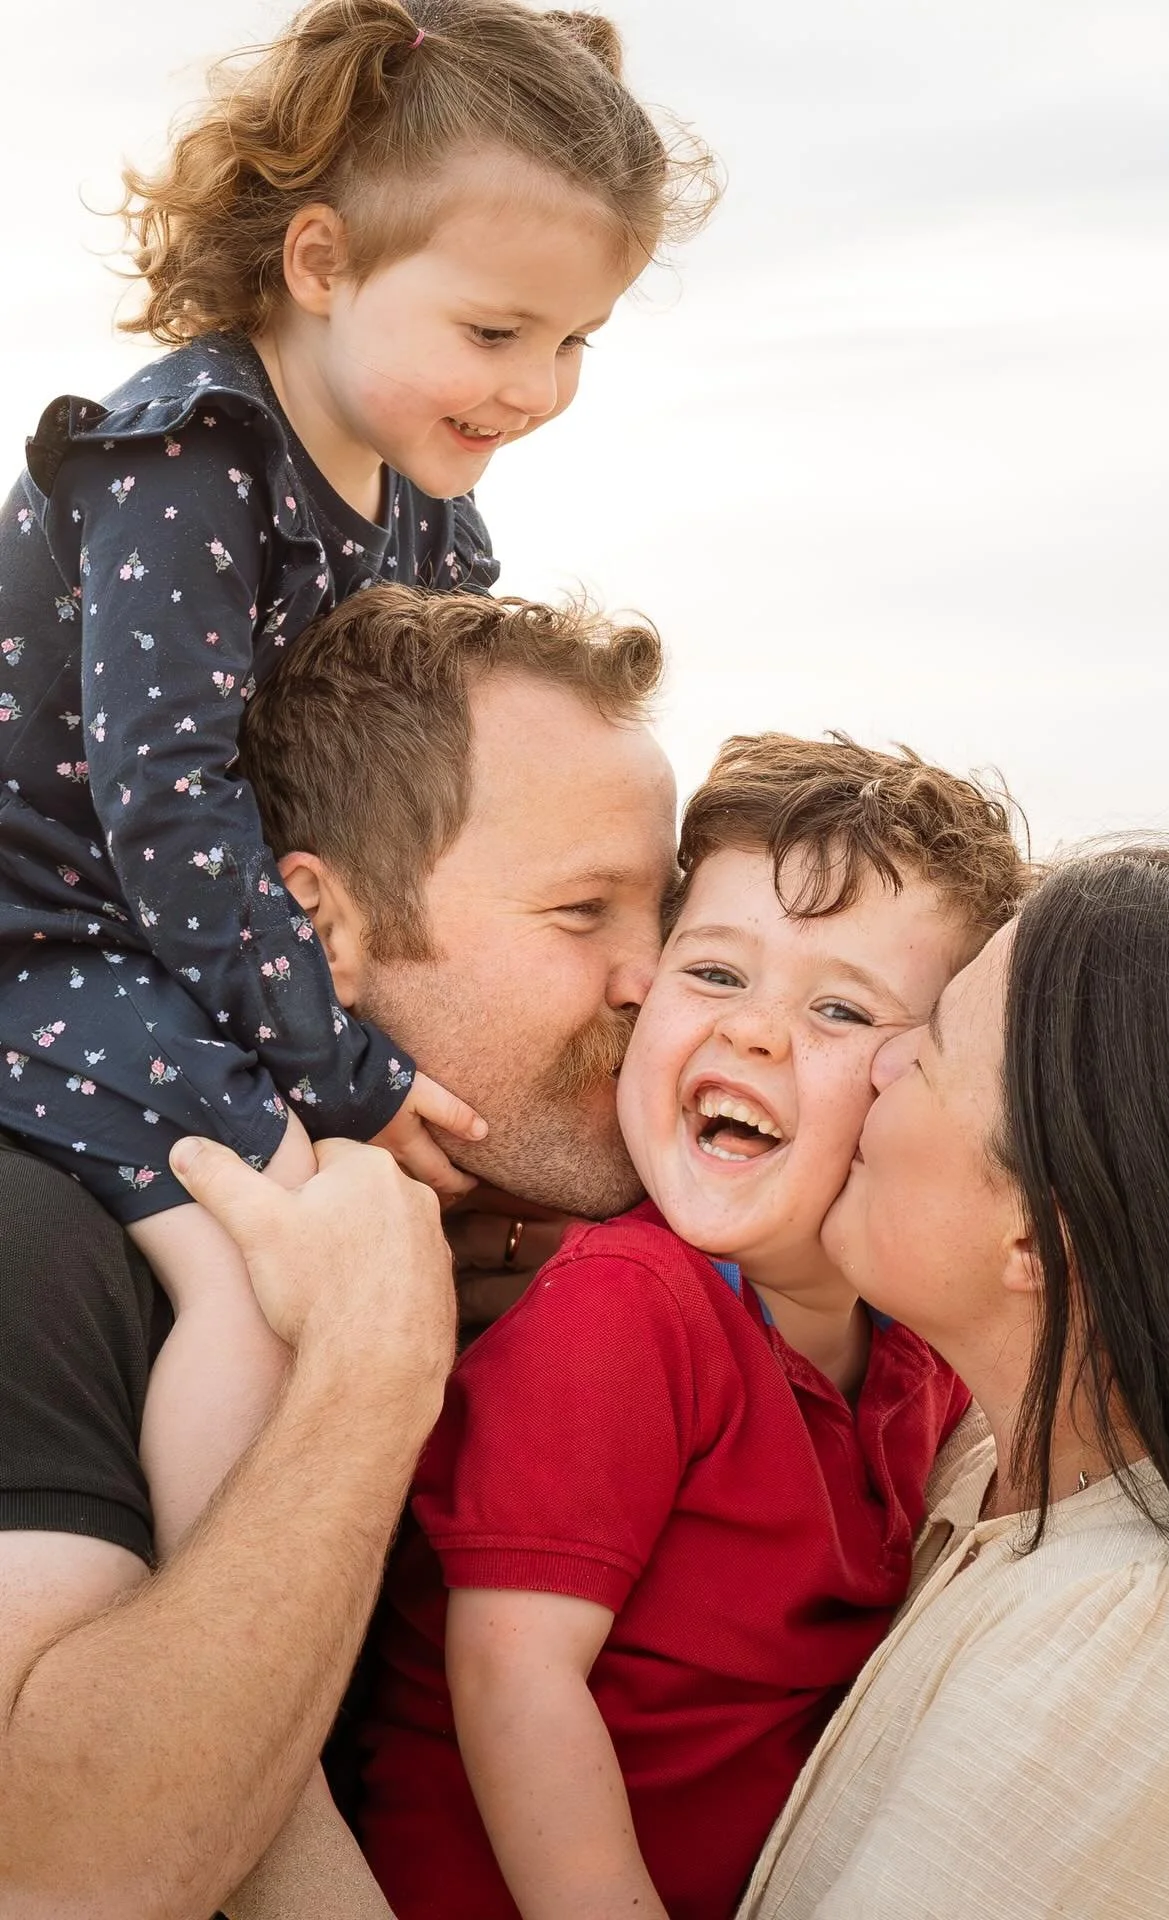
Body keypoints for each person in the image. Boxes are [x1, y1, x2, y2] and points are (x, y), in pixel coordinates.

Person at [0, 0, 714, 1557]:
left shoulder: (424, 517)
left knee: (370, 1229)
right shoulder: (191, 459)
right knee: (263, 1258)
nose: (538, 387)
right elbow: (168, 804)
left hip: (176, 937)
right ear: (321, 265)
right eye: (496, 332)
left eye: (575, 340)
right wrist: (346, 1073)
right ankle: (231, 1662)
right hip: (47, 929)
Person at [0, 583, 678, 1916]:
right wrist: (373, 1367)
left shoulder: (578, 1266)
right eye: (585, 912)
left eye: (666, 909)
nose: (650, 975)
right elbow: (62, 1871)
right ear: (326, 932)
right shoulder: (45, 1238)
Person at [356, 735, 1027, 1920]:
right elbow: (514, 1675)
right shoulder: (629, 1309)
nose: (755, 1033)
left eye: (838, 1007)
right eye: (714, 974)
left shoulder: (916, 1354)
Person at [738, 846, 1169, 1920]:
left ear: (1040, 1236)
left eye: (925, 1049)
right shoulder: (984, 1470)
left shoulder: (1143, 1667)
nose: (874, 1065)